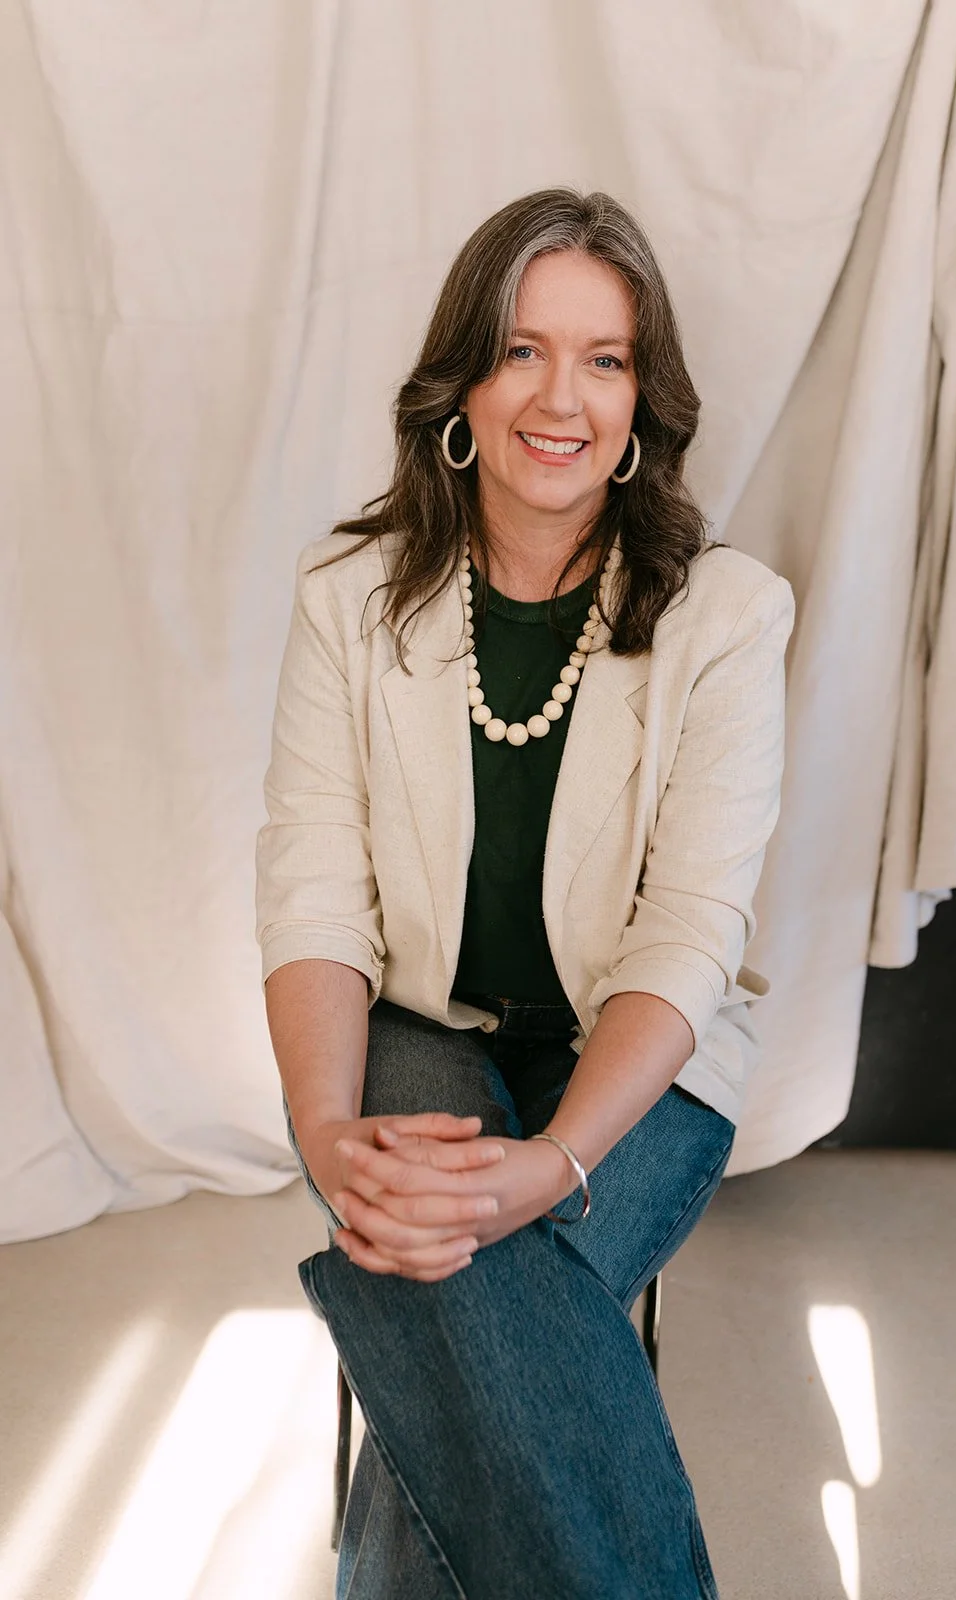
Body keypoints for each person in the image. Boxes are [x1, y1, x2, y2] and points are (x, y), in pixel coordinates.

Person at [255, 188, 793, 1600]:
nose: (564, 396)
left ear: (642, 400)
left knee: (455, 1276)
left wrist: (553, 1164)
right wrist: (327, 1132)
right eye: (523, 351)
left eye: (605, 358)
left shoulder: (728, 621)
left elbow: (688, 938)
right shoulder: (348, 598)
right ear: (463, 386)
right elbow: (315, 891)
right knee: (419, 1226)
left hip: (640, 1069)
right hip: (428, 1026)